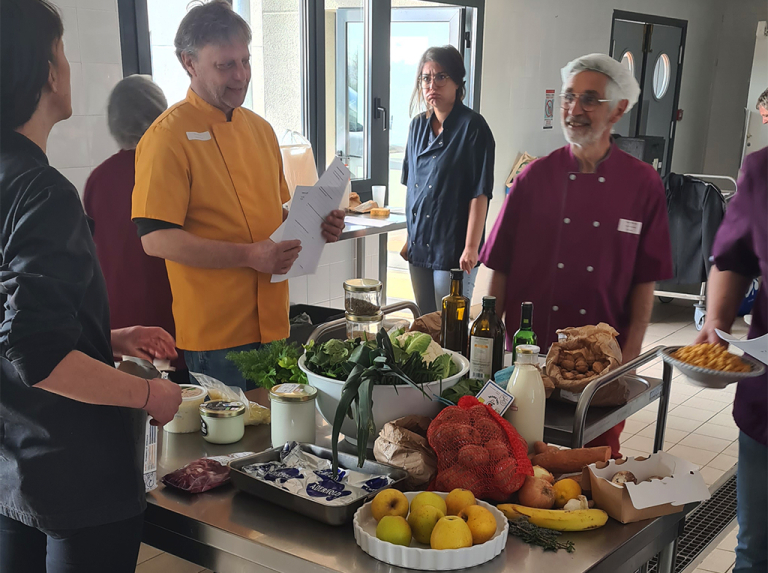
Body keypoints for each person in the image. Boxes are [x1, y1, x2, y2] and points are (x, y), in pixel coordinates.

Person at [0, 2, 183, 572]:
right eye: (62, 53)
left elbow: (17, 323)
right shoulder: (42, 190)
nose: (69, 67)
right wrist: (150, 396)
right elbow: (38, 352)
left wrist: (111, 335)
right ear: (49, 73)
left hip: (13, 462)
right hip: (74, 474)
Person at [132, 1, 345, 390]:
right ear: (189, 63)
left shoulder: (261, 130)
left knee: (280, 442)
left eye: (245, 61)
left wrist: (317, 224)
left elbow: (278, 217)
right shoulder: (167, 137)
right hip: (217, 335)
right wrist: (249, 255)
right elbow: (155, 238)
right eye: (225, 65)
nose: (241, 75)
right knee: (231, 448)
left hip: (275, 322)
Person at [480, 53, 673, 458]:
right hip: (527, 361)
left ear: (618, 109)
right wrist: (479, 354)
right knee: (515, 462)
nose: (574, 109)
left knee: (589, 472)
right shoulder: (533, 179)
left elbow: (643, 292)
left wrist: (625, 368)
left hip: (598, 372)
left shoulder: (643, 185)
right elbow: (495, 269)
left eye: (590, 99)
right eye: (569, 97)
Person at [84, 75, 188, 382]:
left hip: (117, 329)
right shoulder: (170, 172)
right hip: (169, 322)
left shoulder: (98, 179)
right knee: (178, 414)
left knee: (131, 418)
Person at [695, 146, 767, 573]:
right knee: (756, 553)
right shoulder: (763, 170)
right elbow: (734, 257)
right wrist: (718, 320)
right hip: (767, 406)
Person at [400, 45, 495, 313]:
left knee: (450, 325)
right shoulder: (417, 126)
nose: (432, 84)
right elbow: (413, 189)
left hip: (453, 246)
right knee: (425, 323)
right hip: (420, 244)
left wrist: (471, 247)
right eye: (426, 78)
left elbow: (480, 193)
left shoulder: (473, 127)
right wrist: (410, 237)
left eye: (441, 77)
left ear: (457, 82)